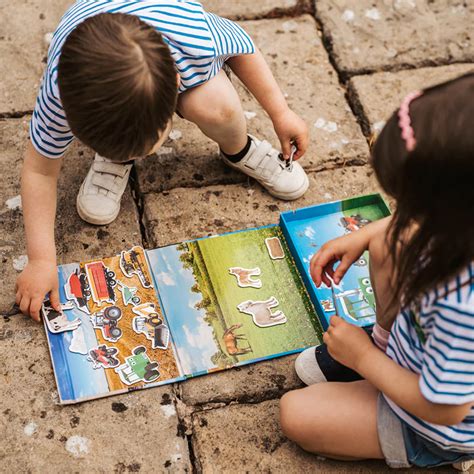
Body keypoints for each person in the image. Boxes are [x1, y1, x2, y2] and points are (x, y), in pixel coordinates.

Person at [16, 1, 310, 321]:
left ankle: (239, 149)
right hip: (106, 61)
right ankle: (116, 152)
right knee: (130, 123)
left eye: (140, 148)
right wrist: (41, 260)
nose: (141, 155)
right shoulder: (59, 94)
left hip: (169, 51)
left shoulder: (192, 36)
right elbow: (39, 170)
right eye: (123, 151)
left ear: (174, 96)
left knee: (218, 105)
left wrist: (281, 112)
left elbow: (242, 46)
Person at [280, 73, 474, 470]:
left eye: (411, 206)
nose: (401, 214)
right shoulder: (457, 225)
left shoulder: (463, 306)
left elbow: (445, 408)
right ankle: (388, 348)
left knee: (296, 414)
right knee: (387, 243)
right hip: (419, 352)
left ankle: (446, 454)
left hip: (432, 420)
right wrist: (367, 234)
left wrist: (363, 358)